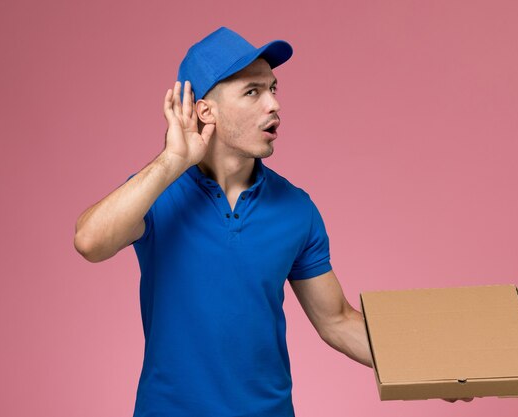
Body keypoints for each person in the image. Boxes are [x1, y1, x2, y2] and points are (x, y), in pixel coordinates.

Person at [73, 27, 471, 416]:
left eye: (273, 88)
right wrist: (172, 162)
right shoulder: (156, 193)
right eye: (253, 92)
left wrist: (426, 368)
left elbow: (336, 320)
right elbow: (90, 242)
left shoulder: (296, 208)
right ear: (205, 110)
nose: (274, 104)